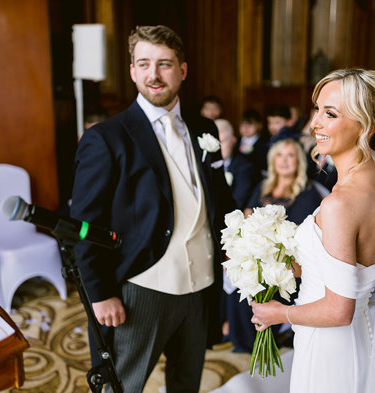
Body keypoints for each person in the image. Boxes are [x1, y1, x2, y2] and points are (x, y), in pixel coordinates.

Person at [70, 25, 234, 393]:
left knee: (186, 382)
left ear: (182, 70)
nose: (153, 75)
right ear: (132, 71)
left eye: (164, 64)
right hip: (141, 287)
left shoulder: (204, 128)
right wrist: (99, 292)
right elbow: (83, 224)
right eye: (143, 64)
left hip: (200, 286)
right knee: (123, 386)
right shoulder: (106, 137)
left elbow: (220, 201)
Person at [250, 68, 375, 393]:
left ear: (366, 125)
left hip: (327, 350)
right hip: (354, 338)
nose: (315, 122)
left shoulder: (340, 203)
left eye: (330, 113)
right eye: (317, 109)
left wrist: (279, 313)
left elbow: (338, 309)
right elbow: (343, 264)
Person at [225, 138, 321, 353]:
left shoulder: (306, 193)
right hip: (258, 257)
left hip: (286, 266)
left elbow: (298, 234)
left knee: (257, 285)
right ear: (272, 160)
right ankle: (241, 340)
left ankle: (264, 341)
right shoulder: (262, 186)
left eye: (290, 155)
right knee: (238, 281)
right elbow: (247, 217)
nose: (284, 161)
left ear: (299, 162)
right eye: (279, 155)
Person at [215, 118, 256, 209]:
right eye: (215, 142)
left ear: (233, 140)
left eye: (222, 141)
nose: (218, 147)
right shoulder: (203, 165)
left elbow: (238, 202)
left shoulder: (245, 167)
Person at [235, 108, 269, 179]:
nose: (245, 128)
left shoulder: (264, 144)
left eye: (250, 124)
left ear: (259, 125)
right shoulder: (235, 142)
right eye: (242, 124)